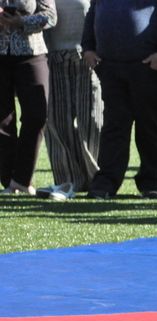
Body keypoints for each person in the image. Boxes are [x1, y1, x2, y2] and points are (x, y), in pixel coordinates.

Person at [81, 0, 157, 200]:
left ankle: (150, 182)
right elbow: (93, 11)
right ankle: (106, 183)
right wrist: (88, 46)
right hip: (109, 65)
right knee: (113, 126)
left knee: (149, 126)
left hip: (147, 66)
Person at [37, 0, 102, 201]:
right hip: (53, 56)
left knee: (90, 120)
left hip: (87, 55)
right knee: (55, 121)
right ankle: (67, 181)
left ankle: (96, 179)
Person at [0, 0, 56, 196]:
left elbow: (50, 16)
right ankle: (9, 181)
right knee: (2, 121)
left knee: (37, 114)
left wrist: (21, 21)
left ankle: (22, 180)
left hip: (32, 53)